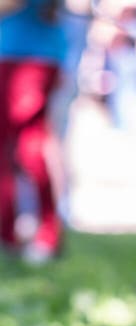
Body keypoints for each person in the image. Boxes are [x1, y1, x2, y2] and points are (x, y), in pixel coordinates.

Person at [0, 0, 66, 261]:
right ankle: (8, 236)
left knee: (31, 148)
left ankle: (46, 236)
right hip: (17, 53)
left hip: (29, 57)